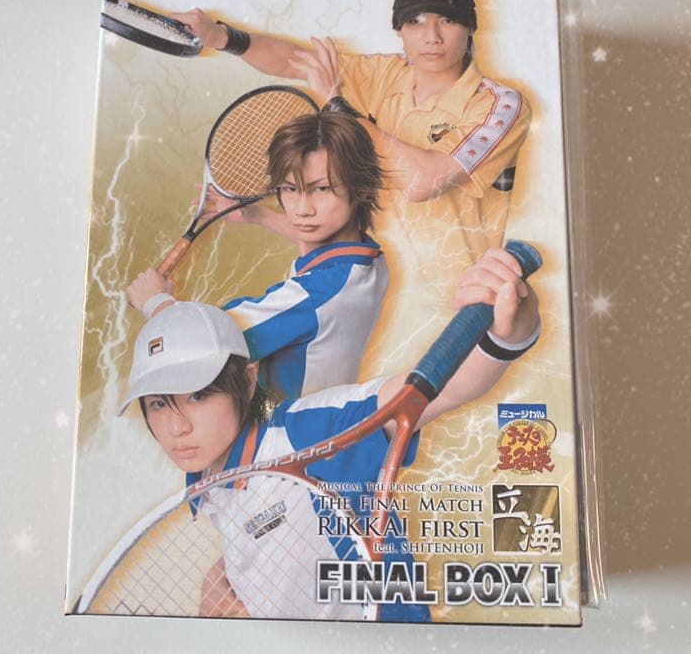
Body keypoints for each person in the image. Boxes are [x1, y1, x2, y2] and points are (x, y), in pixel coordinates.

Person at [118, 247, 541, 621]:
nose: (177, 427)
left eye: (198, 396)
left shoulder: (308, 433)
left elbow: (440, 391)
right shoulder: (203, 468)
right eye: (158, 404)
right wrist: (228, 573)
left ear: (247, 382)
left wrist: (508, 335)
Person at [173, 0, 532, 372]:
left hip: (449, 319)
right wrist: (220, 36)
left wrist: (338, 105)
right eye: (415, 21)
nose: (431, 36)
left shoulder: (499, 105)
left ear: (470, 26)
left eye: (447, 19)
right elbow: (294, 62)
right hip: (363, 314)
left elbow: (424, 181)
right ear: (399, 30)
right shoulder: (384, 75)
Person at [127, 110, 388, 399]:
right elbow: (318, 242)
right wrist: (256, 214)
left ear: (360, 186)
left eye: (321, 189)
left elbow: (202, 343)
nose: (302, 209)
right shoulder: (370, 261)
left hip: (282, 425)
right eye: (290, 188)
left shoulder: (316, 295)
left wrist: (157, 302)